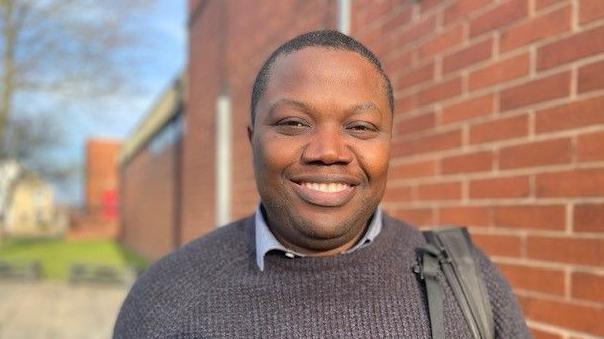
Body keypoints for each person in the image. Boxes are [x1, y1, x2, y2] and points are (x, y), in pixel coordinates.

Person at [114, 30, 530, 338]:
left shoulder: (467, 281)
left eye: (361, 126)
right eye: (294, 123)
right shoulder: (166, 298)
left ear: (388, 144)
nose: (328, 151)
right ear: (252, 140)